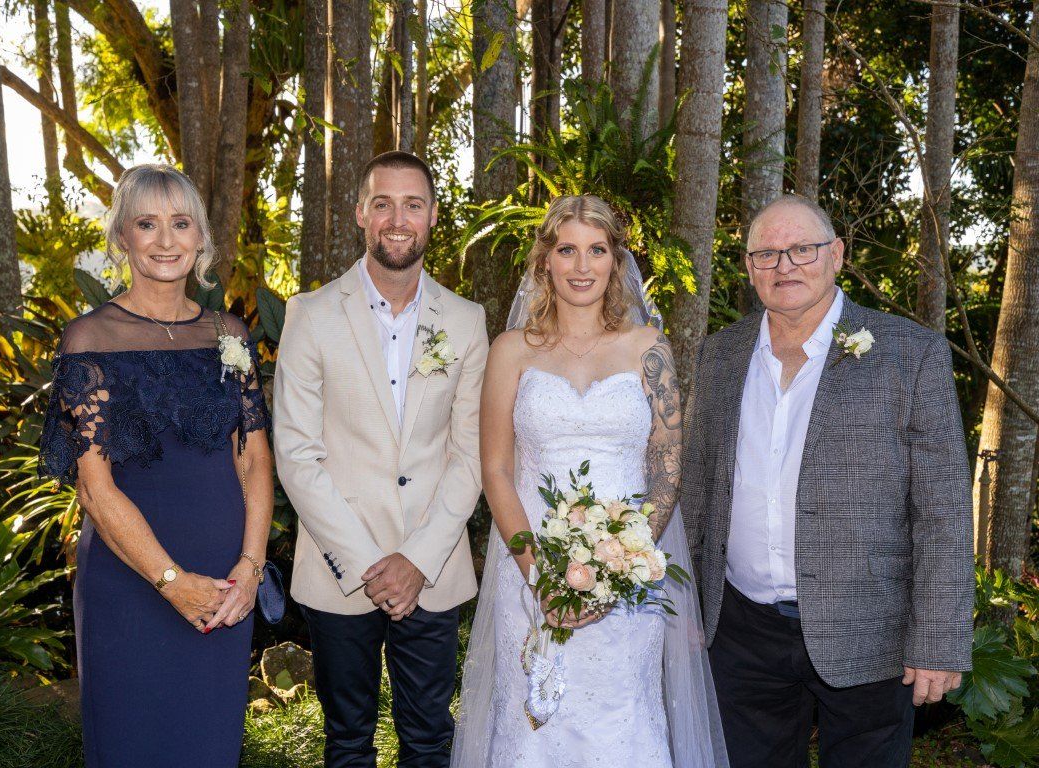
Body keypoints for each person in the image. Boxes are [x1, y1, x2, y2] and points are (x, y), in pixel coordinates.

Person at [680, 194, 974, 768]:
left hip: (868, 631)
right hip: (741, 632)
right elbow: (696, 492)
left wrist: (938, 638)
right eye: (766, 253)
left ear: (836, 255)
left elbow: (942, 510)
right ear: (748, 267)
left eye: (802, 249)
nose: (784, 265)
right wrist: (688, 608)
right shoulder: (718, 356)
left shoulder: (911, 354)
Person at [452, 194, 728, 768]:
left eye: (596, 250)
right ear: (544, 262)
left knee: (620, 726)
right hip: (531, 569)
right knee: (534, 728)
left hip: (630, 578)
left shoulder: (649, 349)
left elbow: (666, 466)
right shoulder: (510, 352)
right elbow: (497, 470)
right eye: (568, 250)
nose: (582, 266)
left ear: (615, 260)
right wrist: (541, 579)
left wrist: (622, 565)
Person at [38, 164, 273, 767]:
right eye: (147, 224)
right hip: (130, 582)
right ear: (122, 237)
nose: (166, 241)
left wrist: (249, 567)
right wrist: (170, 582)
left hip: (225, 584)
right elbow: (94, 489)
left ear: (201, 238)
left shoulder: (231, 333)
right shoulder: (88, 338)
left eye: (180, 223)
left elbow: (255, 462)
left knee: (209, 745)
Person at [273, 151, 488, 768]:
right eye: (384, 203)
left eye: (413, 204)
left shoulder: (467, 322)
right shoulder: (310, 315)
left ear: (433, 217)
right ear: (361, 214)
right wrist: (371, 564)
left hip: (433, 565)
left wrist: (416, 561)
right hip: (342, 567)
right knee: (346, 743)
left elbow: (469, 455)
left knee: (428, 740)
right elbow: (296, 451)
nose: (398, 218)